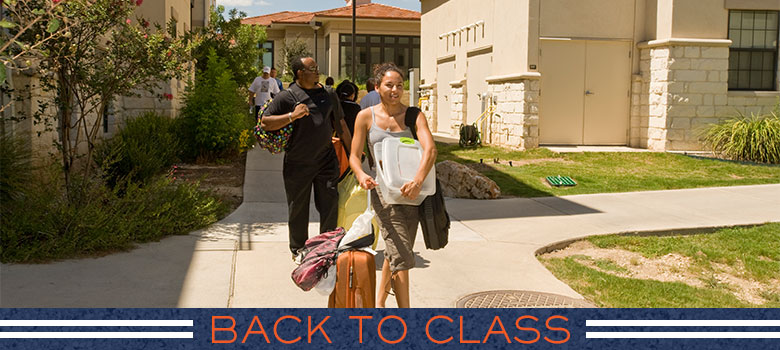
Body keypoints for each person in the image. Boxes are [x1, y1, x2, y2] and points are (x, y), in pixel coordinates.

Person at [348, 63, 436, 308]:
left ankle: (379, 304)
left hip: (413, 194)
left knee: (396, 250)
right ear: (377, 87)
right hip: (383, 193)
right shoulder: (366, 117)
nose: (395, 89)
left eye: (399, 85)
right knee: (403, 256)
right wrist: (361, 175)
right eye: (389, 85)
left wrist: (418, 180)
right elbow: (354, 155)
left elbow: (430, 149)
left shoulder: (414, 115)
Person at [260, 56, 353, 263]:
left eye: (317, 67)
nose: (317, 71)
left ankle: (326, 247)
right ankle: (298, 249)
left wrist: (353, 155)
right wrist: (292, 116)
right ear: (300, 73)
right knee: (298, 208)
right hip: (297, 163)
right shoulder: (288, 96)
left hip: (326, 160)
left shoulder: (328, 94)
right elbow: (266, 122)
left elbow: (341, 125)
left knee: (330, 204)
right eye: (313, 68)